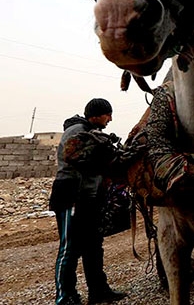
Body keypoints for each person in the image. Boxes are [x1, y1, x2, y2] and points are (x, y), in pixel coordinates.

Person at [49, 98, 128, 305]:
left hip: (89, 199)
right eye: (107, 114)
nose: (110, 119)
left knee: (93, 246)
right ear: (96, 114)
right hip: (70, 196)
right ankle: (65, 296)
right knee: (70, 248)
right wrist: (103, 150)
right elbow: (77, 159)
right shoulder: (77, 131)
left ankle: (98, 291)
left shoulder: (94, 134)